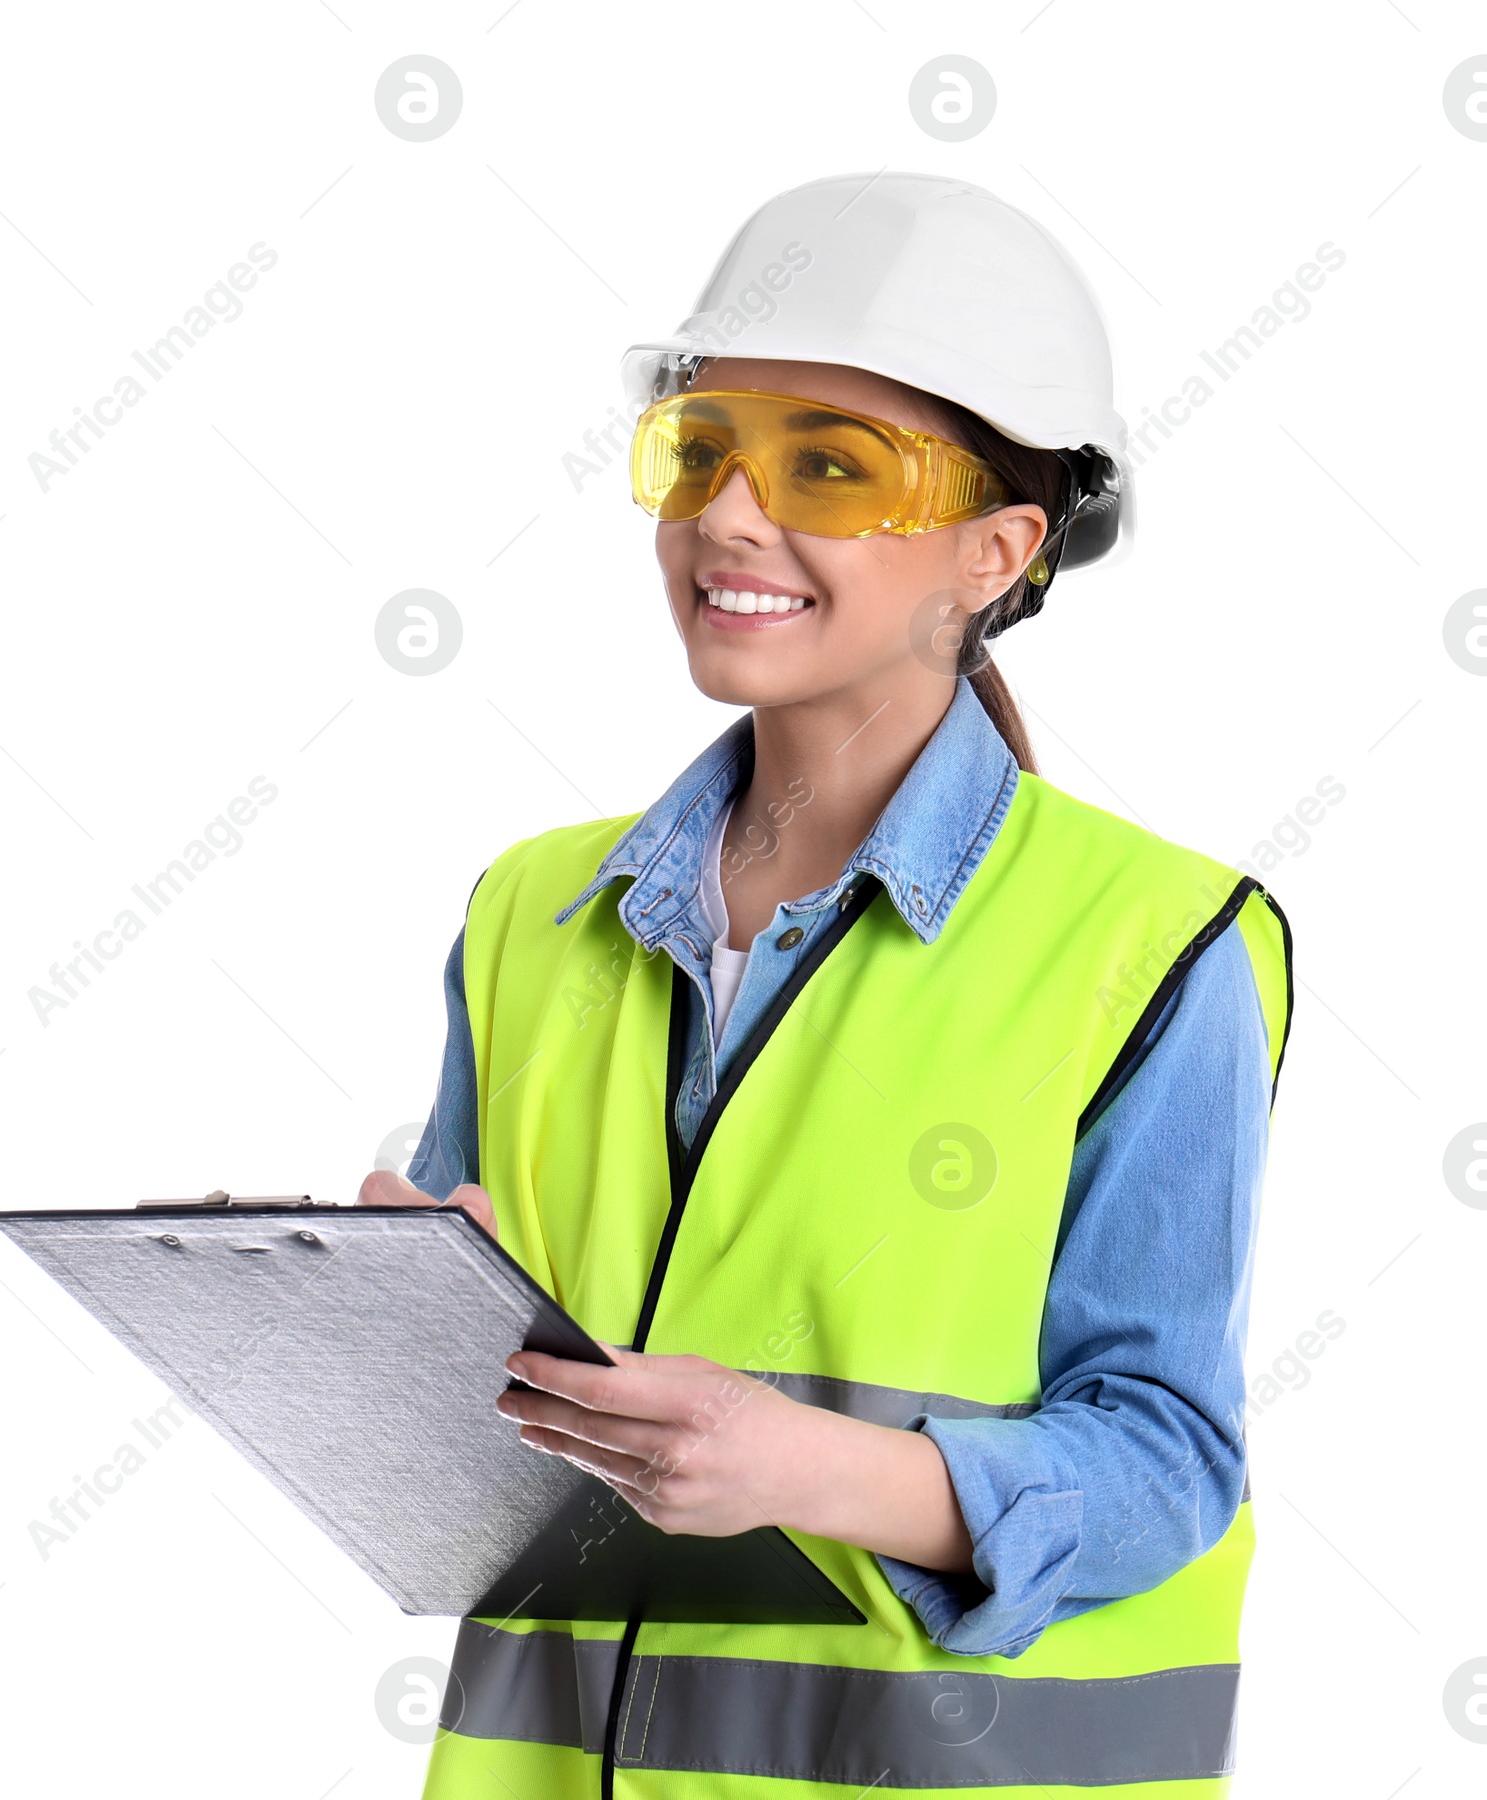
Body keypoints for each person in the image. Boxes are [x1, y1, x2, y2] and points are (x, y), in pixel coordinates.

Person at [361, 172, 1292, 1799]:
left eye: (828, 471)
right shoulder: (532, 910)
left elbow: (1162, 1462)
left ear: (996, 552)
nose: (727, 514)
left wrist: (805, 1469)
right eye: (699, 447)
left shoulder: (1160, 941)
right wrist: (393, 1317)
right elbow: (463, 1456)